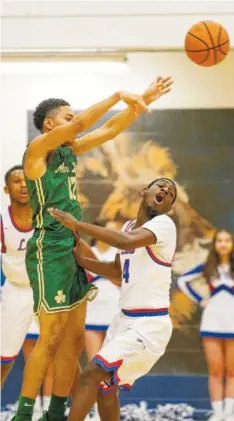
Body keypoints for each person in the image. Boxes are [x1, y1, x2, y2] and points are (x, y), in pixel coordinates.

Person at [13, 77, 173, 421]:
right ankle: (23, 414)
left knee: (73, 339)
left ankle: (56, 412)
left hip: (72, 245)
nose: (75, 122)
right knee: (51, 337)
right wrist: (117, 94)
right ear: (49, 124)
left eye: (74, 117)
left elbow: (111, 129)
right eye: (67, 118)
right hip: (49, 249)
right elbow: (87, 123)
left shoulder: (70, 150)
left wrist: (138, 103)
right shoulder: (37, 150)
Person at [48, 177, 177, 421]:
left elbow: (123, 241)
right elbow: (118, 271)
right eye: (161, 186)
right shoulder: (129, 226)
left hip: (150, 325)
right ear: (144, 191)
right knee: (106, 390)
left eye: (170, 193)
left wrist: (77, 225)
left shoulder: (164, 225)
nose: (166, 190)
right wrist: (83, 261)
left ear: (168, 207)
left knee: (91, 373)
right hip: (123, 320)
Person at [0, 166, 53, 413]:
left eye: (27, 181)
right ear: (5, 188)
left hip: (46, 290)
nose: (23, 185)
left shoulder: (48, 216)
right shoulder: (2, 220)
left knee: (61, 350)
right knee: (4, 359)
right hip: (16, 290)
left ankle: (53, 409)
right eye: (16, 180)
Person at [176, 230, 234, 421]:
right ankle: (217, 413)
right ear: (215, 244)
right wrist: (200, 299)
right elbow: (182, 281)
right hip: (212, 321)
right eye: (220, 241)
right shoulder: (208, 267)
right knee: (216, 371)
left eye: (227, 240)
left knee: (232, 371)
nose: (223, 244)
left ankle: (229, 412)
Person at [85, 220, 120, 361]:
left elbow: (125, 281)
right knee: (93, 361)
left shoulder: (119, 254)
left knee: (112, 362)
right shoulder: (86, 252)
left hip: (114, 310)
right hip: (91, 310)